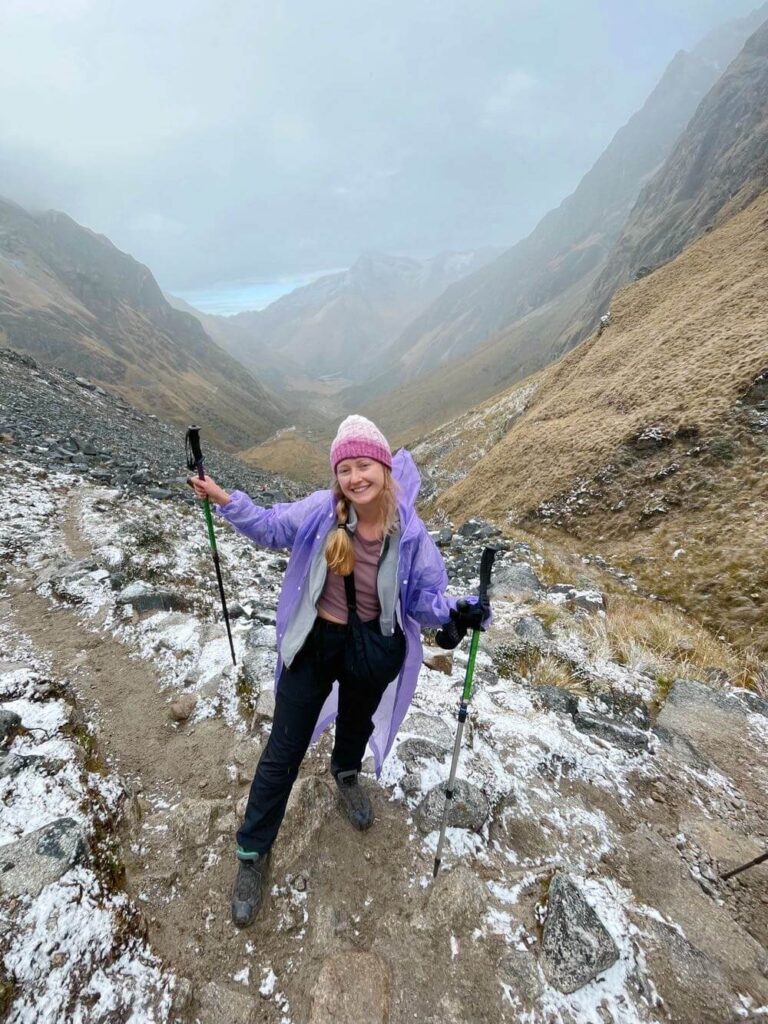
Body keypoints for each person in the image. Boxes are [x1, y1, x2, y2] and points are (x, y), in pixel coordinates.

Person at [189, 414, 486, 927]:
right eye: (344, 468)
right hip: (315, 643)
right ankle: (253, 852)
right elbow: (272, 527)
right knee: (283, 748)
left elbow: (423, 597)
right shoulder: (322, 511)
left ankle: (345, 773)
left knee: (356, 720)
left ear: (384, 467)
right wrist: (225, 499)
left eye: (363, 465)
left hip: (372, 645)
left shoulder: (408, 530)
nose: (354, 477)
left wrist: (458, 610)